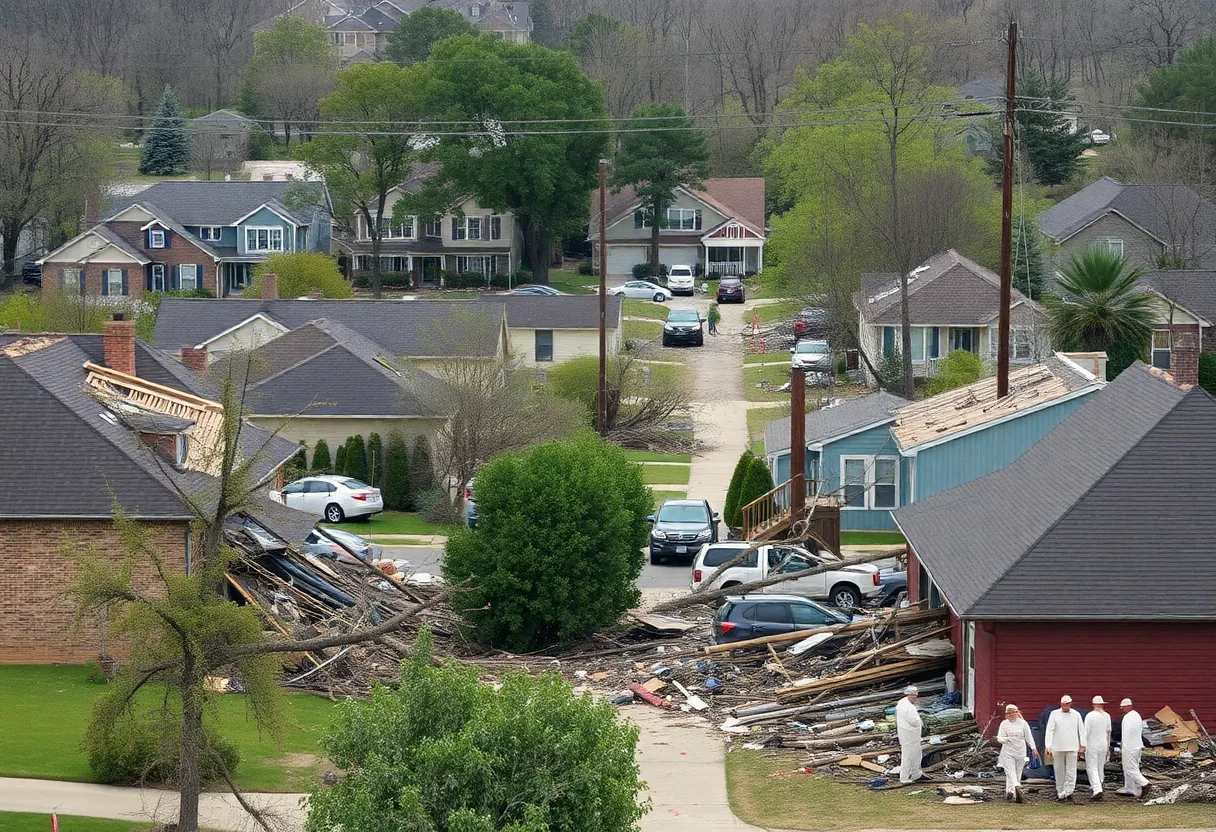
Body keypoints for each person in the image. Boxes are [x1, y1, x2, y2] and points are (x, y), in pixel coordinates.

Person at [1045, 694, 1085, 801]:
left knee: (1071, 770)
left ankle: (1069, 791)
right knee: (1059, 770)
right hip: (1057, 747)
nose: (1065, 706)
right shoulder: (1054, 714)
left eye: (1067, 704)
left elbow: (1081, 730)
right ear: (1061, 704)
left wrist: (1083, 744)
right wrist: (1048, 745)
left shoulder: (1076, 715)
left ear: (1070, 704)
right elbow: (1050, 730)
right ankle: (1060, 791)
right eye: (1063, 704)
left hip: (1072, 746)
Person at [997, 704, 1039, 802]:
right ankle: (1016, 785)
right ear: (1006, 714)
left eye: (1013, 712)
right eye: (1009, 713)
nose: (1011, 715)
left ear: (1017, 713)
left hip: (1020, 750)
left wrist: (1033, 748)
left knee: (1018, 771)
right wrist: (1005, 739)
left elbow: (1028, 736)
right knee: (1010, 770)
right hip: (1007, 750)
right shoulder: (1004, 723)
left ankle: (1011, 792)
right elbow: (1000, 738)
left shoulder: (1023, 723)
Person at [1118, 698, 1152, 800]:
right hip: (1137, 745)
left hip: (1129, 746)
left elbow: (1127, 733)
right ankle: (1130, 788)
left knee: (1130, 768)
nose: (1122, 709)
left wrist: (1124, 746)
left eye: (1123, 707)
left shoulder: (1128, 717)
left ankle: (1144, 783)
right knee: (1132, 767)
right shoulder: (1137, 716)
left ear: (1128, 706)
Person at [1084, 696, 1112, 800]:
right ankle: (1100, 783)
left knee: (1092, 767)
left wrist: (1082, 745)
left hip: (1092, 744)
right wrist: (1108, 747)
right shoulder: (1107, 716)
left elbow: (1086, 732)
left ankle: (1097, 788)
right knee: (1100, 766)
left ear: (1093, 704)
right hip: (1103, 744)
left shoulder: (1090, 716)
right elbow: (1108, 733)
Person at [896, 685, 925, 783]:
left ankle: (915, 774)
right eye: (913, 696)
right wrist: (920, 723)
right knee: (909, 755)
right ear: (909, 695)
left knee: (914, 754)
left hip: (906, 732)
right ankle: (905, 777)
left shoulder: (902, 703)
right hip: (910, 733)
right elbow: (914, 721)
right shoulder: (908, 707)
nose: (915, 698)